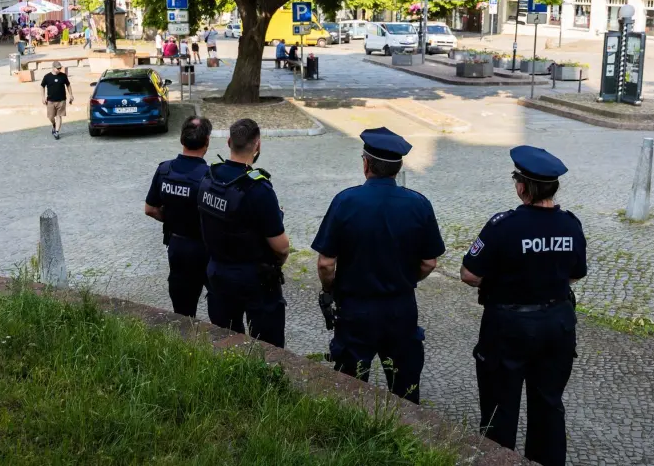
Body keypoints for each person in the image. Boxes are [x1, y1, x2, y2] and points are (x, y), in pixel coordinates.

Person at [460, 146, 587, 466]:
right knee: (548, 406)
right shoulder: (571, 225)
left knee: (499, 409)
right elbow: (576, 274)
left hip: (509, 326)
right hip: (558, 324)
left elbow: (469, 274)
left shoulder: (503, 225)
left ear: (522, 187)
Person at [311, 127, 444, 404]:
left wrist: (330, 288)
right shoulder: (419, 204)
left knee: (349, 386)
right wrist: (407, 279)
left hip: (356, 308)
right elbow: (429, 262)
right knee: (405, 389)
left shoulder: (345, 201)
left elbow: (326, 263)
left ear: (366, 164)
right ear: (398, 168)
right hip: (400, 307)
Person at [198, 118, 291, 347]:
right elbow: (282, 247)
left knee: (226, 343)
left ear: (229, 141)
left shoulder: (209, 178)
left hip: (218, 273)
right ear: (257, 146)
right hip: (254, 279)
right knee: (268, 347)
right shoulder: (258, 188)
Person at [145, 116, 214, 317]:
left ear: (182, 140)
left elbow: (150, 209)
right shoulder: (209, 177)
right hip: (206, 249)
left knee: (183, 313)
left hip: (177, 247)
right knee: (220, 309)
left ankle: (186, 344)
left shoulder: (165, 170)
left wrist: (173, 218)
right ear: (207, 142)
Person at [40, 61, 74, 140]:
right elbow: (42, 86)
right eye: (58, 68)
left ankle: (56, 132)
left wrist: (71, 95)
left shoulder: (63, 76)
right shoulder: (47, 77)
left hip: (61, 100)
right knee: (51, 117)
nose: (59, 69)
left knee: (59, 116)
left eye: (60, 68)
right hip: (50, 101)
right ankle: (54, 124)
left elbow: (68, 85)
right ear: (53, 68)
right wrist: (43, 97)